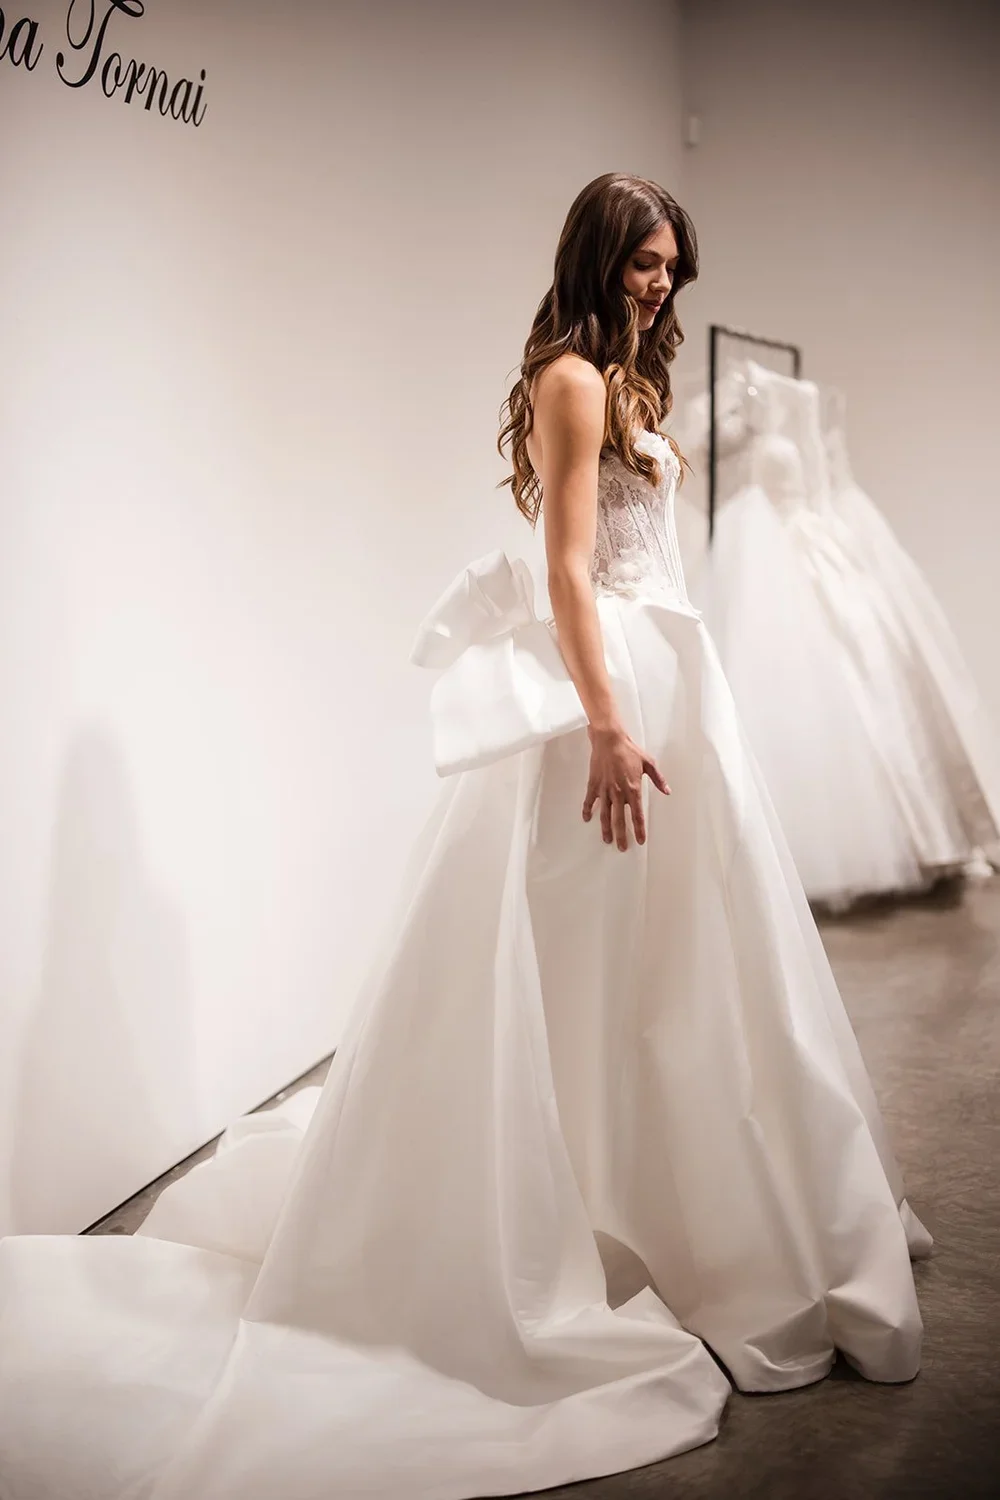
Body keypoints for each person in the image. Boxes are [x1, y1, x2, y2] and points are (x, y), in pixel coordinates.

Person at [0, 173, 929, 1500]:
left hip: (676, 694)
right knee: (581, 974)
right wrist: (605, 724)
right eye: (649, 262)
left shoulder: (628, 380)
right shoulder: (567, 377)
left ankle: (688, 1209)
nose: (664, 284)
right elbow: (564, 569)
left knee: (683, 981)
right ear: (600, 255)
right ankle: (562, 1211)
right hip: (611, 706)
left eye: (675, 267)